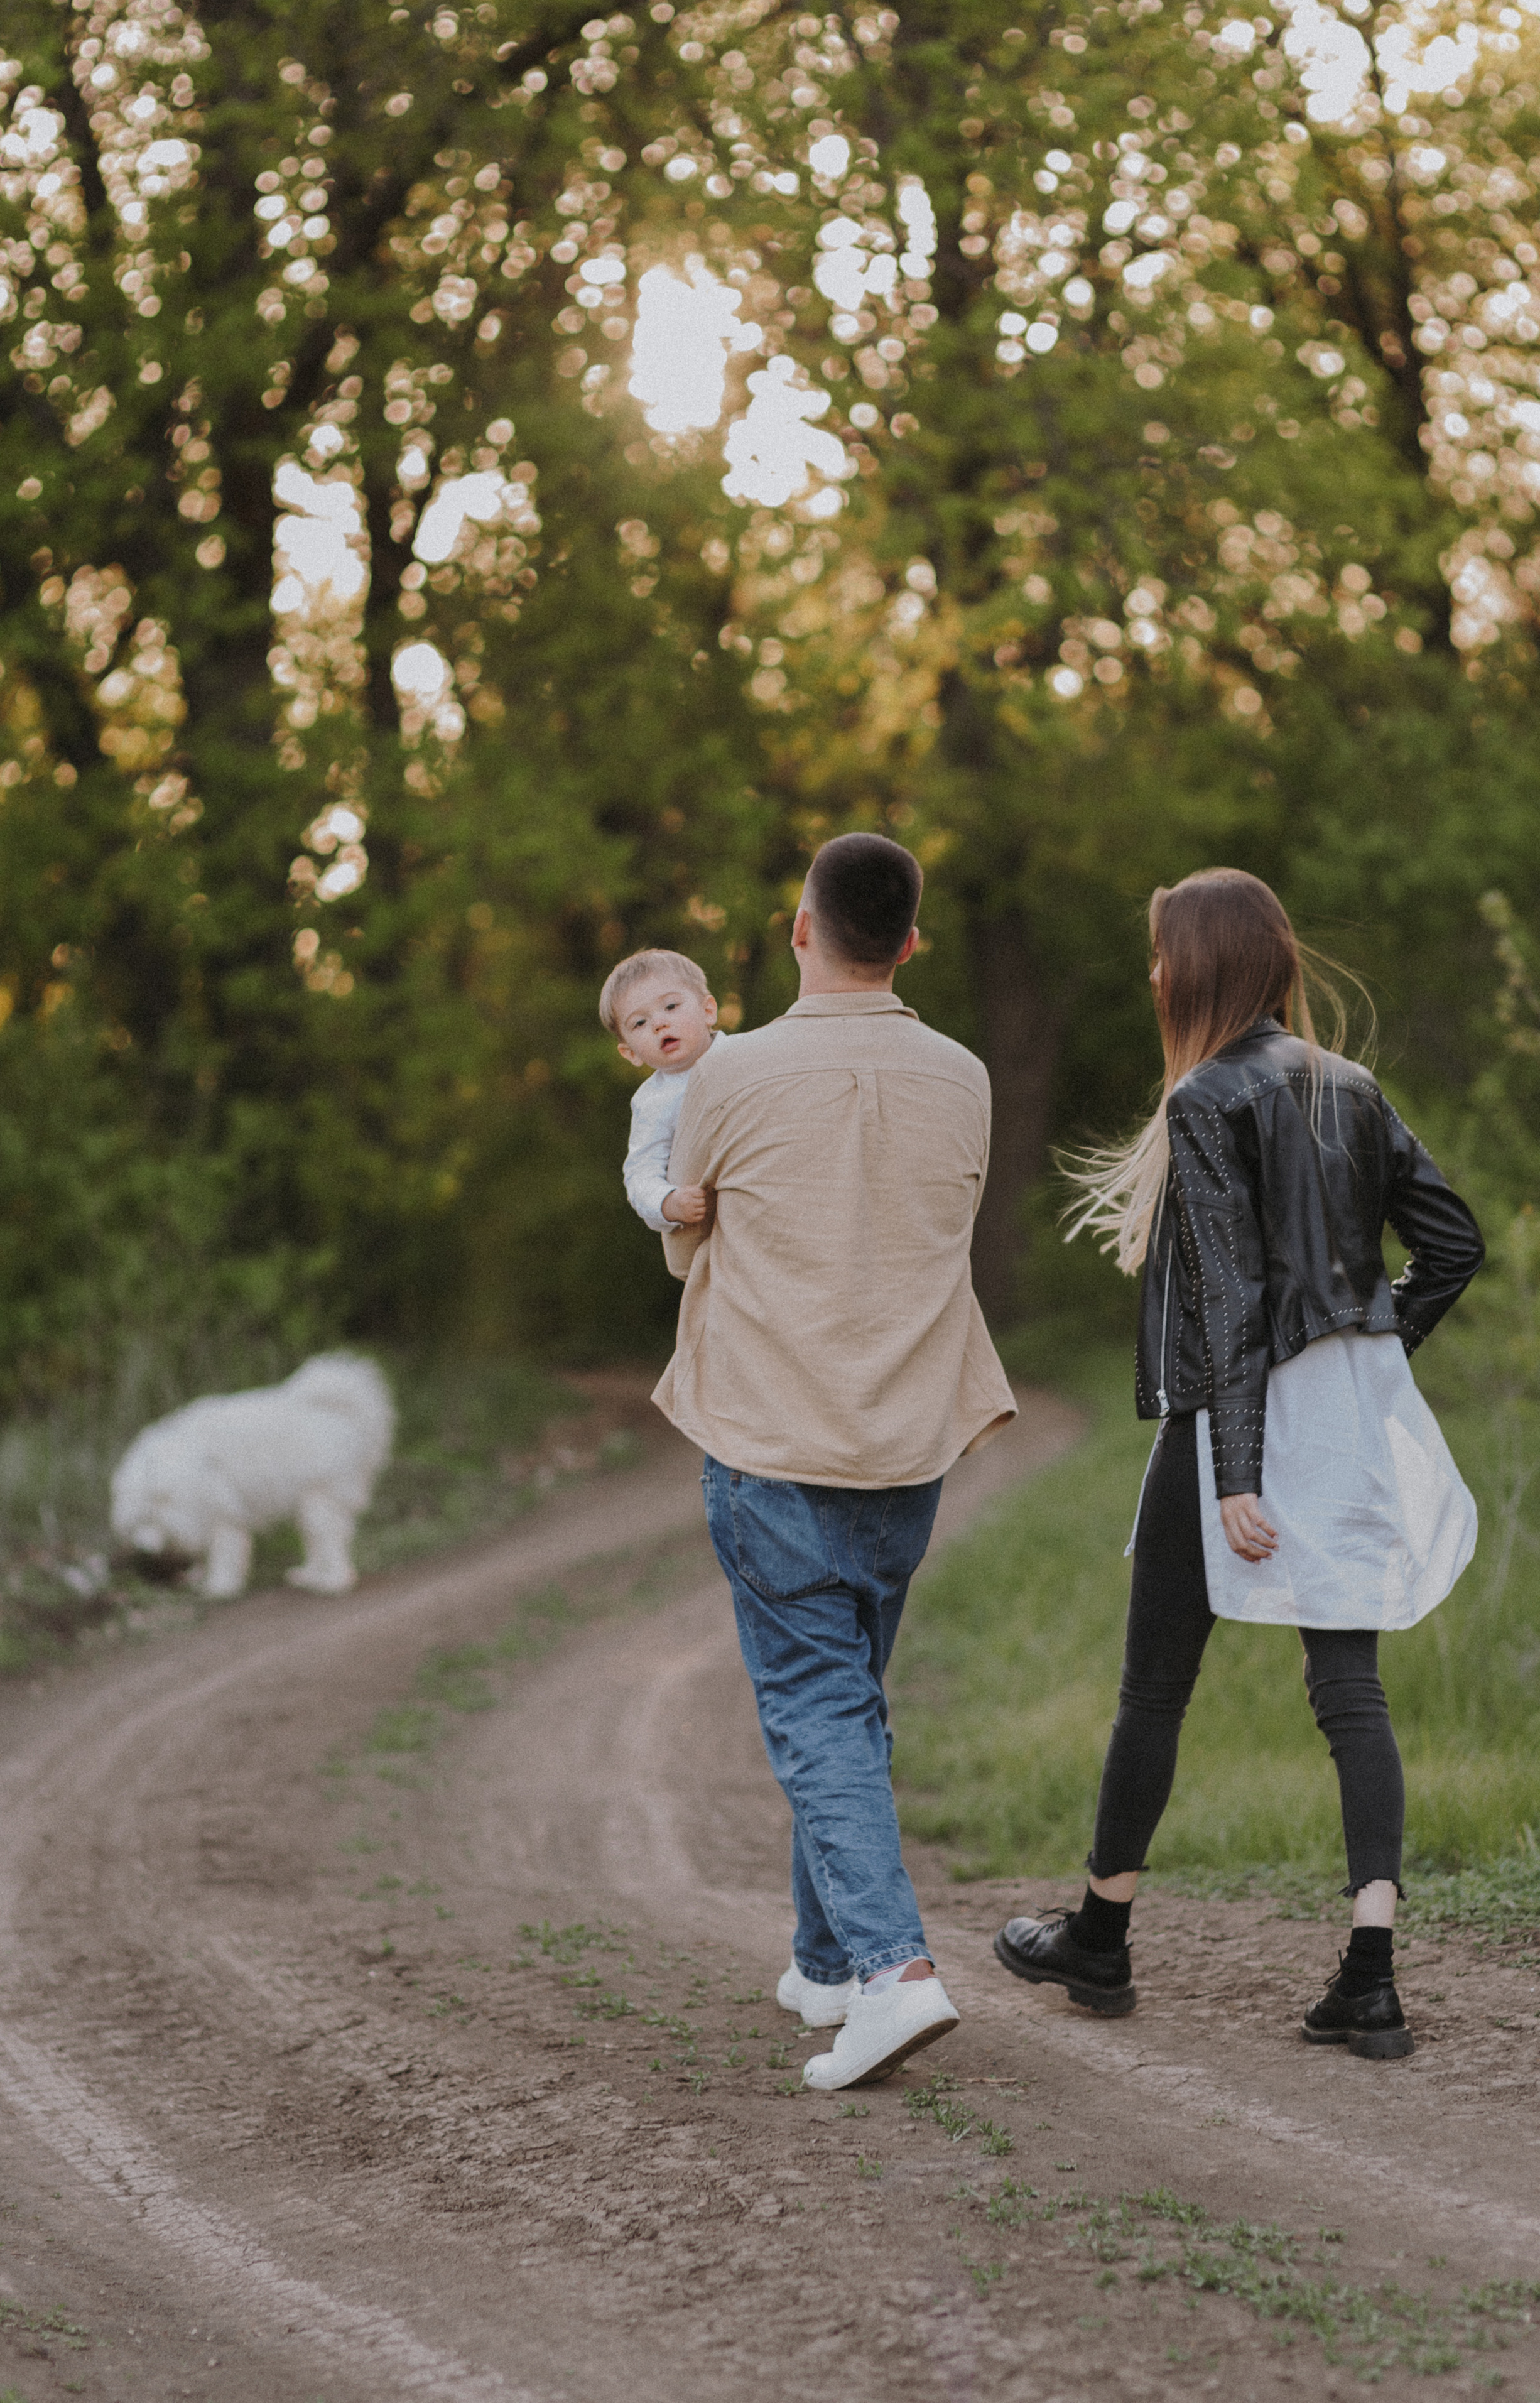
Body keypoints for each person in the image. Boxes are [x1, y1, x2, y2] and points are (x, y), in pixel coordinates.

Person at [993, 868, 1483, 2062]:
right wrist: (1372, 1345)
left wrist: (1234, 1470)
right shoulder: (1354, 1085)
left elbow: (1228, 1294)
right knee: (1348, 1687)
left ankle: (1100, 1938)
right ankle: (1370, 1973)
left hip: (1234, 1419)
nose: (1153, 973)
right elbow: (1456, 1243)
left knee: (1155, 1684)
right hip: (1348, 1408)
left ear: (1198, 967)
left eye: (1163, 953)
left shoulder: (1208, 1095)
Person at [656, 832, 1017, 2091]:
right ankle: (823, 1959)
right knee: (847, 1696)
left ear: (797, 928)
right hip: (905, 1443)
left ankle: (890, 1973)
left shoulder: (731, 1074)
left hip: (772, 1437)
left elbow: (687, 1245)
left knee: (816, 1709)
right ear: (908, 942)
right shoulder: (964, 1076)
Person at [599, 948, 725, 1234]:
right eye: (640, 1023)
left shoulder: (746, 1055)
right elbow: (641, 1173)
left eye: (670, 1007)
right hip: (716, 1220)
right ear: (630, 1053)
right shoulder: (654, 1102)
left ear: (708, 1010)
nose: (659, 1024)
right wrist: (667, 1202)